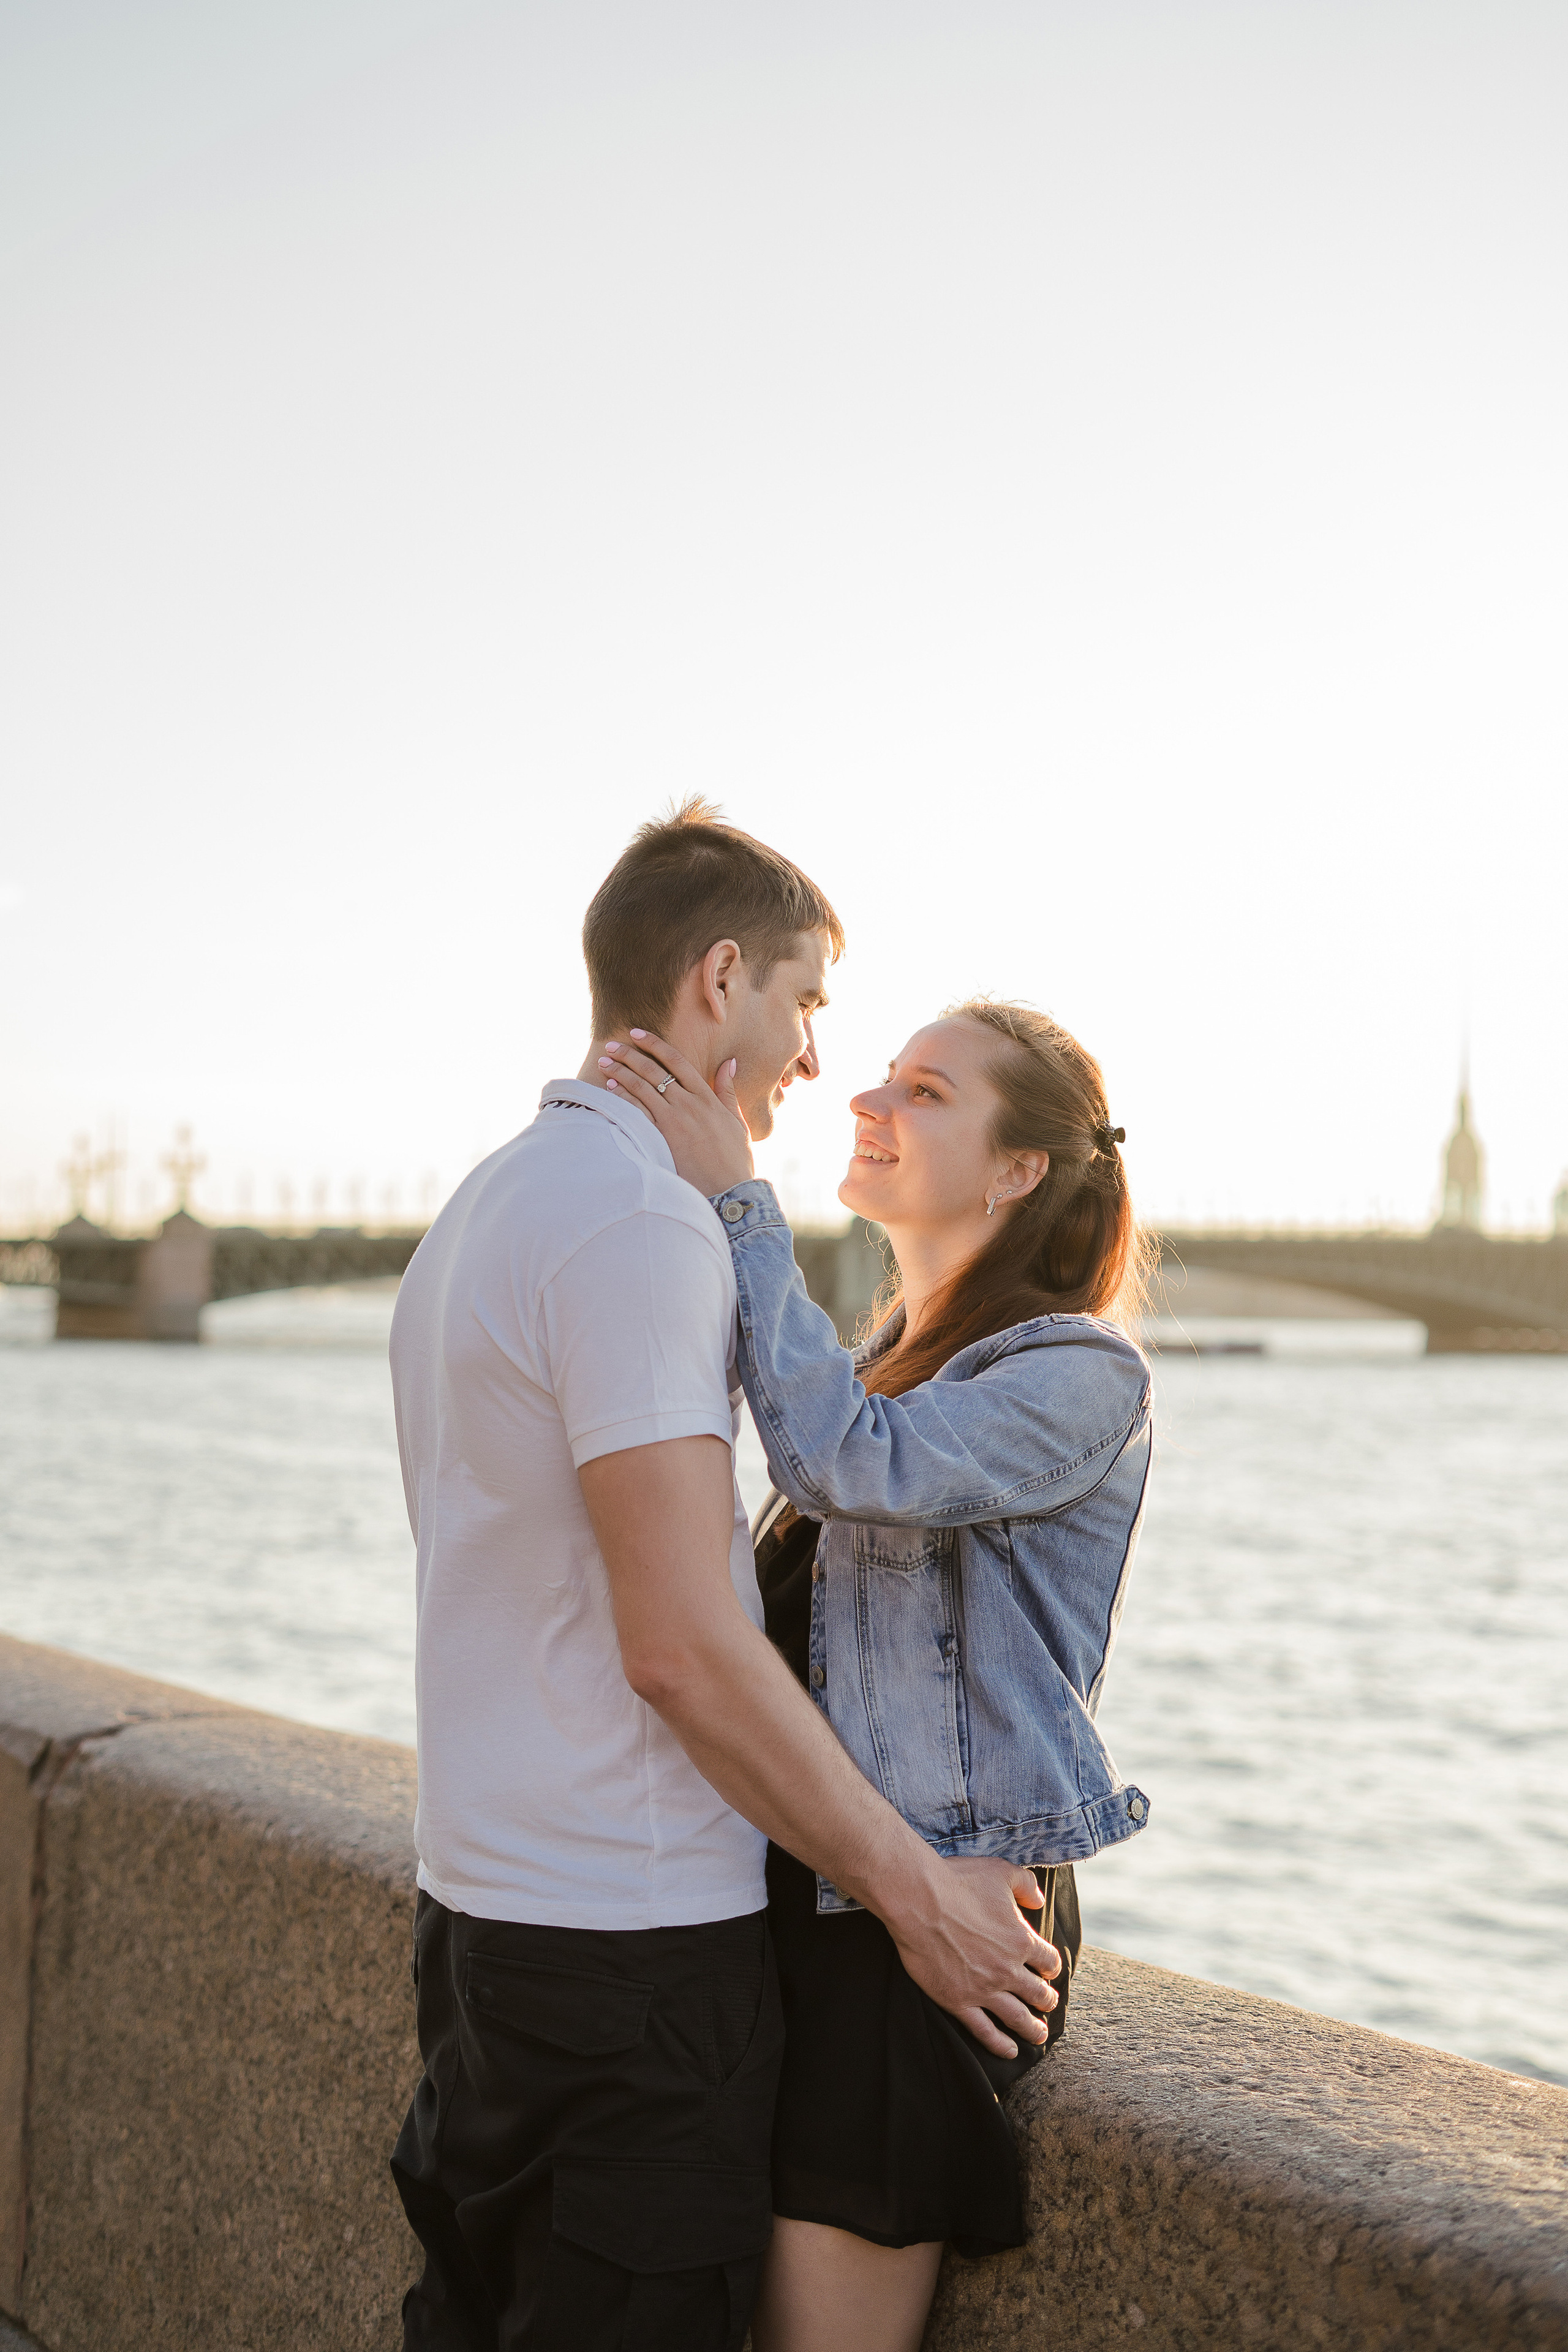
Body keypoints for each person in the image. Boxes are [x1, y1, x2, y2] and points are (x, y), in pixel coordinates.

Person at [387, 802, 1060, 2352]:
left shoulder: (483, 1207)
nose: (815, 1059)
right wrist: (917, 1901)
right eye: (804, 1002)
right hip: (628, 1962)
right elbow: (681, 1649)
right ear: (714, 983)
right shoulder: (640, 1226)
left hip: (479, 1917)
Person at [597, 997, 1153, 2352]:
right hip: (806, 1903)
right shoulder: (877, 1368)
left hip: (923, 1927)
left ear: (1018, 1170)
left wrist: (737, 1200)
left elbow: (847, 1464)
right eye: (882, 1079)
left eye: (923, 1092)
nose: (868, 1103)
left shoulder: (1077, 1373)